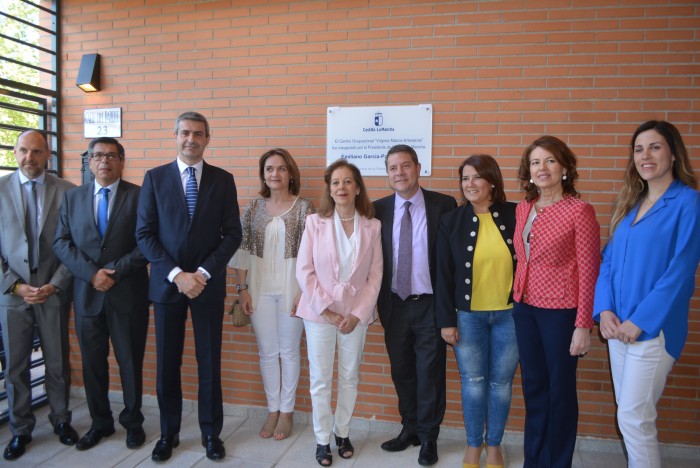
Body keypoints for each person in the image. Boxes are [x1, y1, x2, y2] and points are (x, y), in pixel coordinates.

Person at [136, 112, 242, 462]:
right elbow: (145, 235)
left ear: (208, 138)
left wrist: (202, 273)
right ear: (175, 135)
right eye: (185, 133)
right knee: (167, 363)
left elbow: (232, 235)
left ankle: (211, 433)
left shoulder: (223, 180)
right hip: (168, 288)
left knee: (209, 362)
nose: (191, 139)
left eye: (198, 133)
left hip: (207, 287)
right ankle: (169, 433)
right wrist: (177, 275)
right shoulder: (154, 178)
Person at [594, 121, 700, 468]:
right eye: (639, 149)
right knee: (633, 417)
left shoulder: (688, 202)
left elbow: (681, 271)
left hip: (652, 330)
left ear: (673, 153)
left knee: (633, 420)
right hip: (618, 329)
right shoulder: (631, 203)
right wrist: (605, 310)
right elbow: (607, 262)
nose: (646, 155)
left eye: (655, 147)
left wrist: (640, 321)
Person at [53, 137, 150, 451]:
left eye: (111, 155)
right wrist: (92, 273)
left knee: (130, 362)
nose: (104, 161)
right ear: (88, 162)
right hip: (86, 294)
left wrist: (115, 272)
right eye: (97, 155)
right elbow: (62, 242)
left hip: (128, 295)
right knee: (93, 364)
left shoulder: (140, 196)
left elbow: (147, 243)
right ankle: (101, 423)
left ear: (122, 160)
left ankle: (133, 422)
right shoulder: (72, 198)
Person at [512, 135, 600, 468]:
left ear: (564, 167)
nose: (542, 167)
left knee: (560, 391)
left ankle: (557, 461)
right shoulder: (523, 209)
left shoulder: (579, 211)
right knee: (534, 388)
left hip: (561, 313)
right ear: (528, 170)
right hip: (525, 309)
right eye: (535, 162)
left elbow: (590, 271)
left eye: (549, 160)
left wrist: (583, 326)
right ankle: (534, 460)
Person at [295, 159, 382, 467]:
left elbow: (375, 276)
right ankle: (322, 440)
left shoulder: (372, 226)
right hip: (319, 315)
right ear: (329, 189)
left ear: (357, 188)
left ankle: (342, 433)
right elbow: (304, 271)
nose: (341, 187)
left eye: (347, 182)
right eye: (335, 183)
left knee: (349, 376)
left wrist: (358, 314)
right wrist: (328, 312)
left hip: (356, 317)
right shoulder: (314, 223)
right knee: (320, 379)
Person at [374, 144, 456, 466]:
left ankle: (428, 437)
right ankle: (409, 428)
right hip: (394, 305)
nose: (399, 173)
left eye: (405, 166)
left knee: (430, 373)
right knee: (402, 371)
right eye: (393, 168)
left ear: (418, 168)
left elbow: (451, 261)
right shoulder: (377, 209)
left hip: (429, 304)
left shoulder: (444, 205)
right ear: (388, 174)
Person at [0, 130, 78, 461]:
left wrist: (56, 283)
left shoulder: (68, 191)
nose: (29, 157)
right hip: (12, 293)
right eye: (23, 151)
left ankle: (61, 420)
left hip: (52, 290)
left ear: (48, 154)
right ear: (15, 152)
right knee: (15, 366)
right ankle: (21, 429)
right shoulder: (0, 190)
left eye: (36, 151)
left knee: (58, 362)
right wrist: (15, 285)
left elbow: (75, 244)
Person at [435, 155, 517, 468]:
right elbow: (442, 274)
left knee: (501, 384)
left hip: (510, 316)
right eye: (465, 178)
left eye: (476, 177)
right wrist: (446, 321)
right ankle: (473, 445)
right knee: (473, 382)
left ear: (492, 182)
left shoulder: (516, 214)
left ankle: (494, 444)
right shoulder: (452, 221)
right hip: (467, 317)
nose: (469, 184)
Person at [229, 148, 314, 440]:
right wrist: (242, 290)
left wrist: (304, 291)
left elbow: (314, 254)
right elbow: (241, 250)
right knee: (267, 353)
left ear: (290, 173)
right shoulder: (253, 207)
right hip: (259, 291)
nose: (274, 174)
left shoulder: (305, 208)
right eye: (269, 169)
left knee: (289, 351)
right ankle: (272, 409)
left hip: (293, 291)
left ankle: (287, 412)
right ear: (263, 174)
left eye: (280, 168)